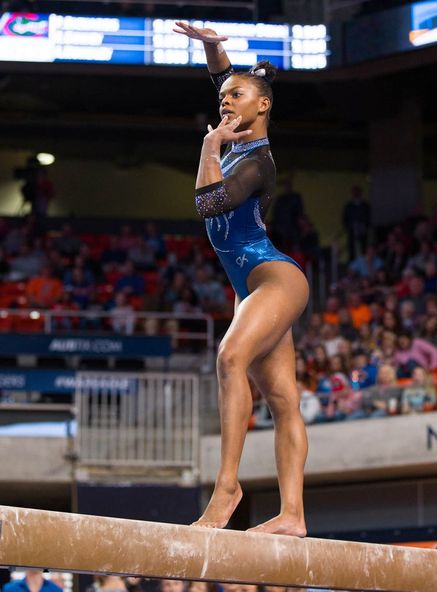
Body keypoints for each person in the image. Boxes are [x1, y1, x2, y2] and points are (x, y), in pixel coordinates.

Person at [174, 21, 309, 536]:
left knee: (230, 357)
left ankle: (227, 488)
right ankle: (293, 515)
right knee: (282, 400)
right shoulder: (238, 138)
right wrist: (215, 48)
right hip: (250, 287)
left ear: (264, 106)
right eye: (224, 97)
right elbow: (223, 77)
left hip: (273, 277)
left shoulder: (256, 163)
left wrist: (209, 148)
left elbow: (209, 205)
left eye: (238, 97)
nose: (226, 101)